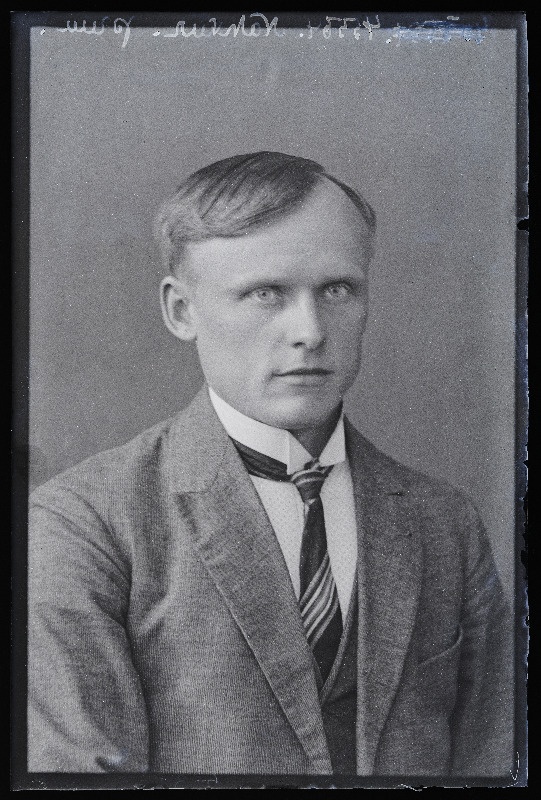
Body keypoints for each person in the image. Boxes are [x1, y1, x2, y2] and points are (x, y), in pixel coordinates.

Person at [28, 151, 512, 776]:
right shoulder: (84, 525)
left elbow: (494, 763)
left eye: (337, 289)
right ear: (181, 311)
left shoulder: (445, 524)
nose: (310, 330)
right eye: (265, 294)